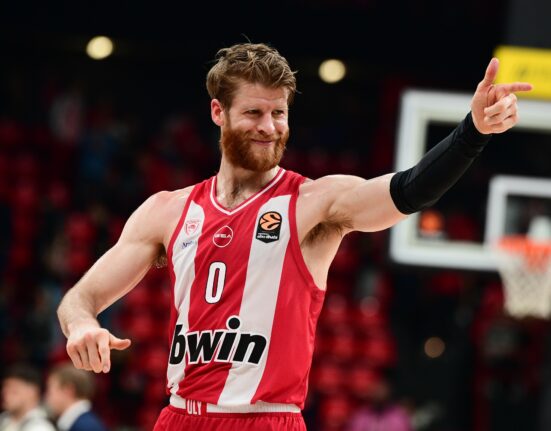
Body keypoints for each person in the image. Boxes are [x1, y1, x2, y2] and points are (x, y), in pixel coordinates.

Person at [56, 42, 532, 430]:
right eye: (254, 112)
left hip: (268, 419)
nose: (269, 127)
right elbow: (80, 298)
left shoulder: (314, 202)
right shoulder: (167, 209)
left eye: (279, 113)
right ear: (218, 112)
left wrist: (472, 133)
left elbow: (409, 190)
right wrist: (80, 324)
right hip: (181, 416)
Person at [45, 363, 107, 431]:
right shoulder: (85, 423)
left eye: (50, 391)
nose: (47, 397)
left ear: (68, 390)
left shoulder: (84, 427)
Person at [0, 364, 56, 431]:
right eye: (4, 389)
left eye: (13, 390)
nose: (5, 394)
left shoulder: (40, 427)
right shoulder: (4, 419)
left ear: (32, 392)